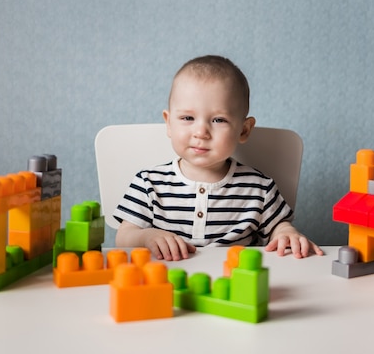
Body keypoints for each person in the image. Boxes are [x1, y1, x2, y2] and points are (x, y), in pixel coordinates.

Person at [114, 55, 324, 261]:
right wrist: (147, 236)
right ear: (169, 123)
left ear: (243, 130)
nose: (201, 132)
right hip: (166, 282)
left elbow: (279, 226)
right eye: (188, 118)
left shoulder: (259, 188)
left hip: (235, 284)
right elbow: (123, 237)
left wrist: (286, 234)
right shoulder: (148, 182)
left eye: (218, 120)